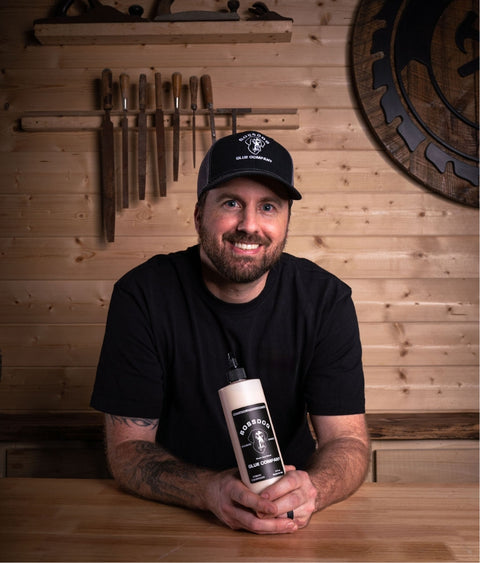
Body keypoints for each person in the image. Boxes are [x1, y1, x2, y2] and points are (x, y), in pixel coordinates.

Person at [90, 130, 370, 535]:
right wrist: (207, 491)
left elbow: (348, 442)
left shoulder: (326, 300)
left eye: (269, 206)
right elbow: (127, 452)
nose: (249, 225)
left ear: (287, 220)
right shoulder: (143, 295)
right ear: (199, 213)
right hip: (175, 515)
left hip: (290, 518)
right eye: (232, 203)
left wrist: (313, 491)